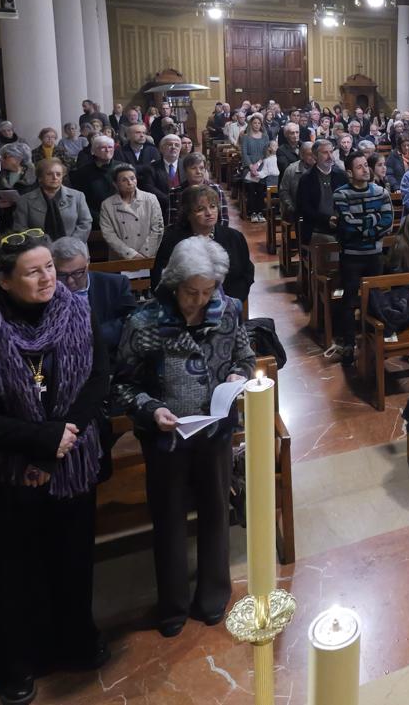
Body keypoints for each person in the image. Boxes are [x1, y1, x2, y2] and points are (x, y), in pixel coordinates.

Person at [0, 230, 111, 704]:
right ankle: (16, 665)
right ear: (2, 280)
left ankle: (75, 642)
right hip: (3, 475)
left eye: (50, 268)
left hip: (71, 463)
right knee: (12, 575)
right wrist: (38, 440)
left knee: (72, 562)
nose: (47, 278)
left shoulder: (77, 310)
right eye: (33, 271)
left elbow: (98, 377)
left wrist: (64, 435)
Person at [116, 238, 255, 637]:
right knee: (170, 520)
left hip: (214, 432)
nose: (199, 300)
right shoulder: (144, 323)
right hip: (167, 437)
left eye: (207, 291)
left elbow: (243, 357)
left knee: (215, 511)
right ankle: (173, 604)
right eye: (191, 292)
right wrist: (149, 408)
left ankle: (213, 595)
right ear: (174, 283)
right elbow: (123, 385)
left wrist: (237, 376)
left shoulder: (227, 310)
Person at [329, 151, 394, 361]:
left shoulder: (381, 192)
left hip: (374, 255)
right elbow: (347, 226)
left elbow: (388, 223)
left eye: (366, 165)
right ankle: (348, 344)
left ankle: (374, 340)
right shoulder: (341, 194)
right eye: (360, 167)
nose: (365, 169)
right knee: (349, 300)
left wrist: (362, 225)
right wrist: (371, 223)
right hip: (352, 256)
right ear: (349, 172)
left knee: (375, 299)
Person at [152, 185, 255, 305]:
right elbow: (160, 279)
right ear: (188, 214)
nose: (209, 213)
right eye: (200, 209)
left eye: (213, 207)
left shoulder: (234, 237)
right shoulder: (172, 240)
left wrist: (227, 302)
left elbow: (246, 274)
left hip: (227, 304)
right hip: (184, 307)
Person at [49, 237, 135, 366]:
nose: (70, 281)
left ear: (88, 262)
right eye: (62, 275)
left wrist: (90, 337)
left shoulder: (115, 285)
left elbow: (131, 321)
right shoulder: (46, 291)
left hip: (107, 361)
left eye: (78, 273)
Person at [13, 158, 94, 243]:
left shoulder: (78, 196)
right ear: (40, 177)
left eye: (58, 174)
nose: (55, 177)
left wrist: (70, 244)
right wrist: (42, 245)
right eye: (49, 174)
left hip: (74, 249)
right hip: (38, 250)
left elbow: (85, 223)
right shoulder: (25, 200)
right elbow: (20, 228)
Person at [100, 163, 165, 261]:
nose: (130, 182)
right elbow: (108, 234)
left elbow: (158, 227)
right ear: (115, 184)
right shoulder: (107, 205)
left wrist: (144, 253)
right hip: (121, 258)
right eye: (124, 180)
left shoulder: (150, 199)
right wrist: (131, 254)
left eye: (132, 178)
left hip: (148, 256)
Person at [296, 140, 347, 245]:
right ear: (315, 156)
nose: (329, 156)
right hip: (316, 227)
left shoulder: (341, 175)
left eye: (331, 152)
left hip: (340, 225)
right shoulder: (307, 179)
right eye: (325, 153)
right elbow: (305, 208)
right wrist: (326, 219)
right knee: (328, 242)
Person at [167, 152, 229, 230]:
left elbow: (224, 219)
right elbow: (172, 223)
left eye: (201, 168)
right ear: (185, 171)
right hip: (185, 236)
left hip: (214, 235)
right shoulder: (175, 192)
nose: (198, 171)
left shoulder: (216, 189)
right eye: (193, 168)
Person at [0, 142, 37, 231]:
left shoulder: (36, 179)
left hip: (31, 226)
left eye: (5, 157)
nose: (0, 159)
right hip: (7, 226)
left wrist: (20, 202)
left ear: (19, 158)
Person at [69, 136, 119, 220]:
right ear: (94, 151)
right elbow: (81, 200)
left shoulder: (123, 168)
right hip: (94, 217)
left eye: (110, 147)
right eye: (103, 147)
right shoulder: (83, 172)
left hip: (120, 215)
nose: (107, 150)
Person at [237, 115, 269, 219]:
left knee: (260, 190)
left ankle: (260, 212)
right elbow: (244, 153)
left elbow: (266, 153)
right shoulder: (246, 137)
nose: (257, 125)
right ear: (251, 124)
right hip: (248, 166)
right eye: (255, 123)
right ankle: (252, 212)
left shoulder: (265, 136)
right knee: (251, 189)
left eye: (259, 123)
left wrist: (258, 164)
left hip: (262, 165)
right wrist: (251, 166)